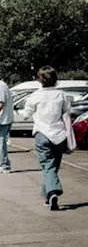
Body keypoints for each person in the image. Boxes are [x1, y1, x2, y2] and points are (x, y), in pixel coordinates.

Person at [26, 66, 72, 210]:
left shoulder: (35, 96)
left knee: (48, 166)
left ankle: (53, 192)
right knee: (53, 167)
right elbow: (67, 111)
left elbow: (27, 113)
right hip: (59, 135)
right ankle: (48, 196)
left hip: (42, 134)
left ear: (40, 80)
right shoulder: (61, 94)